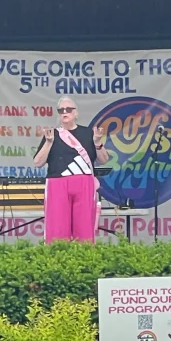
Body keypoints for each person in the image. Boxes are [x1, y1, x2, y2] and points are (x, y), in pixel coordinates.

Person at [33, 96, 109, 243]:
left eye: (69, 109)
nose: (65, 112)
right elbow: (37, 162)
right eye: (61, 110)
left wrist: (98, 142)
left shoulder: (88, 134)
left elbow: (103, 159)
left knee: (85, 230)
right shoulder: (52, 135)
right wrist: (49, 143)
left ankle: (84, 260)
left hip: (84, 184)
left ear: (76, 113)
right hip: (58, 184)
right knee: (57, 231)